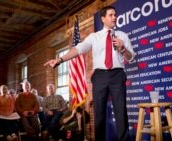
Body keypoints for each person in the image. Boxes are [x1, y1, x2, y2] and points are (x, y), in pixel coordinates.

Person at [44, 6, 135, 141]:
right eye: (111, 15)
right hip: (100, 76)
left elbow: (130, 57)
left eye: (115, 15)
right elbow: (78, 49)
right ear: (103, 18)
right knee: (99, 113)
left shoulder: (122, 36)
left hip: (117, 75)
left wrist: (122, 48)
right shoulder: (94, 36)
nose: (114, 17)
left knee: (121, 112)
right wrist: (60, 59)